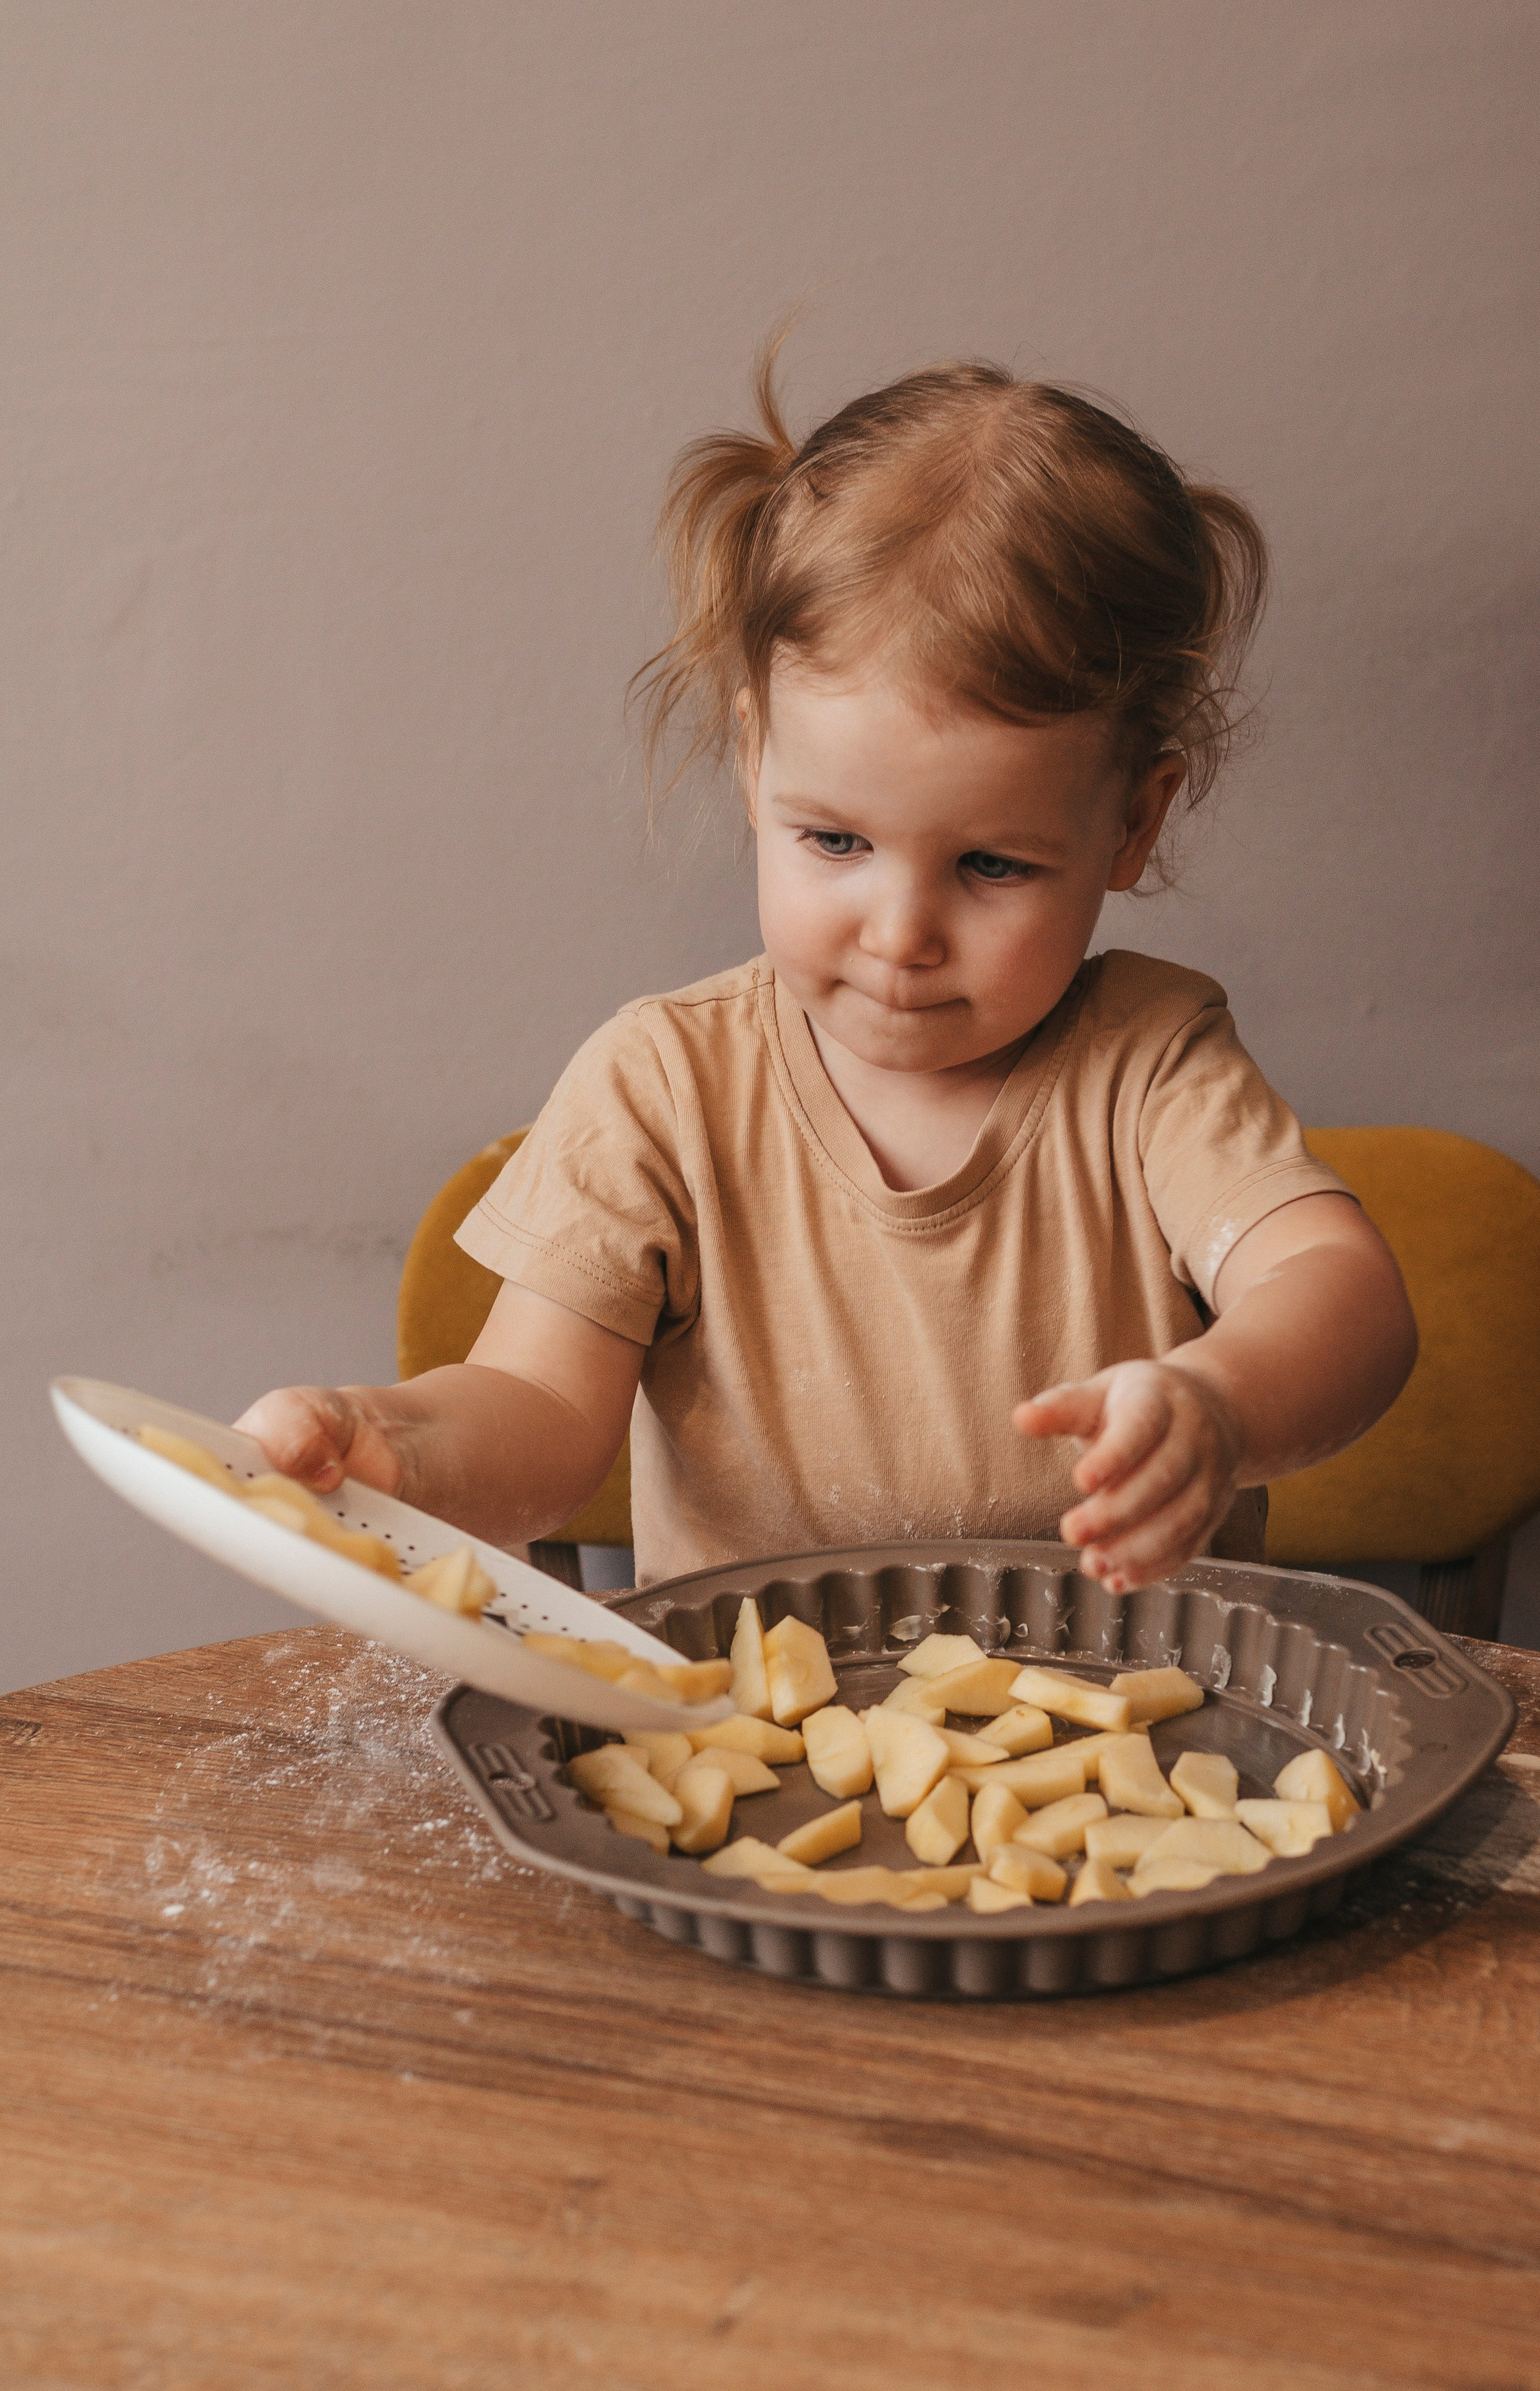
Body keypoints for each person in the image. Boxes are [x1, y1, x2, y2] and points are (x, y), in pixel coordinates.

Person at [237, 354, 1417, 1595]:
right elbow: (537, 1410)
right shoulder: (666, 1085)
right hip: (743, 1753)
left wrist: (1218, 1400)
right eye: (837, 841)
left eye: (993, 864)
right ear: (754, 765)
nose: (899, 932)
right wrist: (401, 1446)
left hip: (1124, 1756)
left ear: (1132, 824)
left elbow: (1338, 1295)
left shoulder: (1151, 1066)